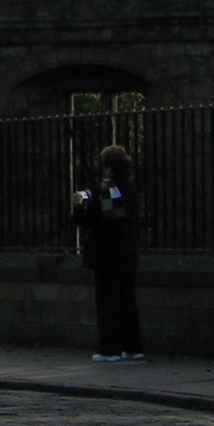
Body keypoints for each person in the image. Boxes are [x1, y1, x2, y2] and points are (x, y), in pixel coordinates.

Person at [74, 144, 142, 362]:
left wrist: (79, 205)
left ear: (108, 167)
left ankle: (110, 349)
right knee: (127, 300)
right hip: (127, 250)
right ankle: (133, 347)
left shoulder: (105, 189)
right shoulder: (130, 188)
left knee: (107, 303)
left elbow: (89, 221)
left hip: (105, 252)